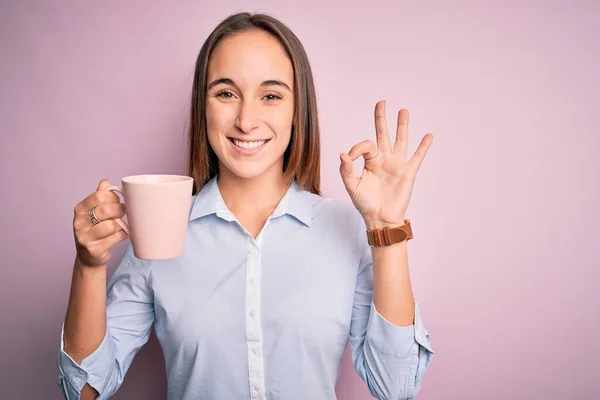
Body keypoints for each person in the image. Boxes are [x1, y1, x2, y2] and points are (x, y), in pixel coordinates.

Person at [57, 11, 435, 400]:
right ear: (203, 107)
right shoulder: (159, 230)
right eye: (225, 93)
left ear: (297, 110)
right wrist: (88, 265)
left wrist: (387, 228)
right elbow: (83, 390)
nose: (247, 120)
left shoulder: (348, 230)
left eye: (271, 96)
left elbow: (395, 387)